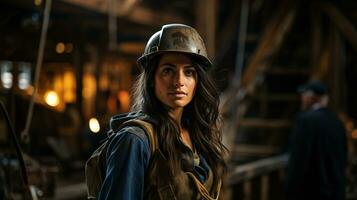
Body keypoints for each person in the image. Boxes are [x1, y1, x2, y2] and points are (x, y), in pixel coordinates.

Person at [98, 24, 227, 199]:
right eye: (168, 70)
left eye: (188, 72)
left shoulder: (198, 133)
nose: (179, 81)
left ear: (198, 81)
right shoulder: (135, 140)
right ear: (152, 79)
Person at [286, 80, 347, 200]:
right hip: (335, 191)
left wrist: (290, 190)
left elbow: (299, 159)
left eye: (304, 95)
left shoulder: (305, 120)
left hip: (312, 192)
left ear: (312, 97)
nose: (301, 98)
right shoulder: (336, 121)